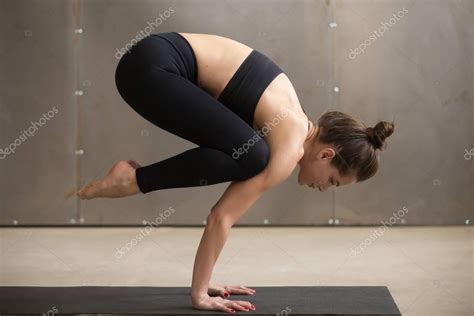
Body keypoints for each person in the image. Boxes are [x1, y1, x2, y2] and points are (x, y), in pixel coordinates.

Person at [76, 32, 395, 313]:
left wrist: (207, 280)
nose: (324, 189)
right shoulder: (289, 146)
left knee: (250, 151)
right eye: (333, 181)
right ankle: (132, 180)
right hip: (150, 68)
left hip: (149, 61)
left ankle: (133, 179)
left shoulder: (290, 117)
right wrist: (200, 294)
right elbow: (221, 217)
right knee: (254, 155)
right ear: (327, 154)